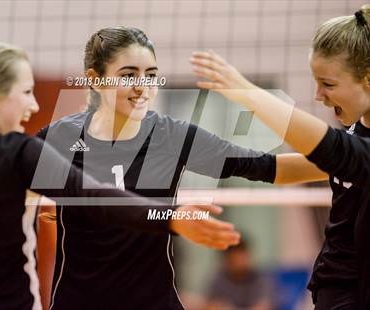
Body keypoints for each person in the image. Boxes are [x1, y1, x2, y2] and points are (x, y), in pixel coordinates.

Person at [36, 26, 324, 310]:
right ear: (95, 80)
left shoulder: (171, 136)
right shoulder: (60, 138)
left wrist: (351, 160)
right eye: (128, 75)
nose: (142, 87)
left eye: (150, 75)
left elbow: (270, 167)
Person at [0, 42, 241, 309]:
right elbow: (91, 195)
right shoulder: (15, 152)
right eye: (27, 92)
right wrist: (172, 217)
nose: (35, 106)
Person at [190, 5, 370, 309]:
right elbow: (289, 168)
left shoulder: (350, 148)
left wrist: (249, 93)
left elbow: (333, 150)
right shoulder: (356, 131)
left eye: (328, 84)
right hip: (338, 293)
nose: (318, 95)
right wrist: (212, 156)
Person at [206, 239, 273, 310]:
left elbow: (264, 306)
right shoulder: (219, 278)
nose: (237, 262)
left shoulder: (260, 278)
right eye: (232, 259)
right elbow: (210, 305)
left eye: (240, 257)